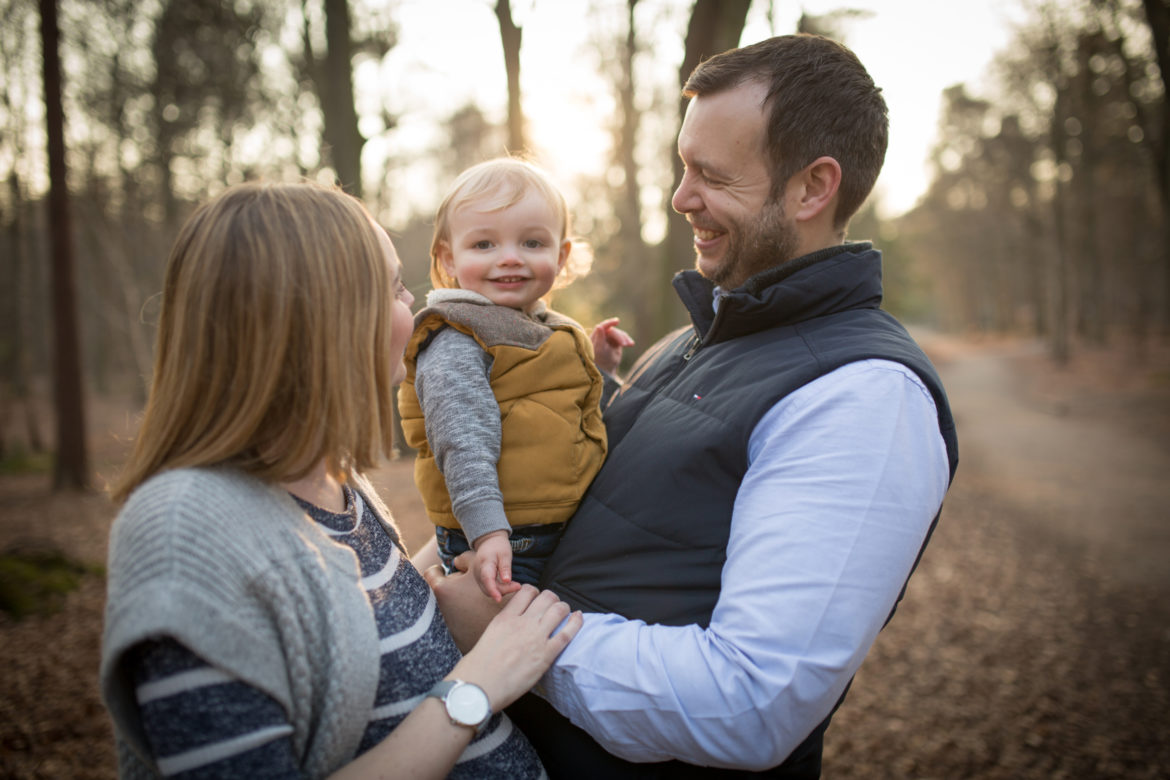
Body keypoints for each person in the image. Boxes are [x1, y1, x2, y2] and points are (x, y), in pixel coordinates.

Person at [425, 33, 960, 778]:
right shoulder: (689, 341)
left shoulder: (864, 396)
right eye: (684, 167)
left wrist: (517, 641)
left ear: (812, 188)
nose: (681, 198)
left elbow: (751, 704)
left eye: (712, 175)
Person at [99, 181, 582, 779]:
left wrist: (445, 608)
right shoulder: (184, 536)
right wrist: (479, 684)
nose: (414, 305)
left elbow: (364, 640)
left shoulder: (333, 484)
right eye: (395, 288)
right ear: (324, 320)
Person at [397, 158, 633, 602]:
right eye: (484, 244)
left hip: (554, 526)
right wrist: (487, 532)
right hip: (502, 539)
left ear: (560, 256)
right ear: (449, 258)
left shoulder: (546, 329)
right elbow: (461, 439)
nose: (510, 257)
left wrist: (598, 371)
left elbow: (558, 417)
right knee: (509, 630)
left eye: (532, 242)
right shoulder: (458, 337)